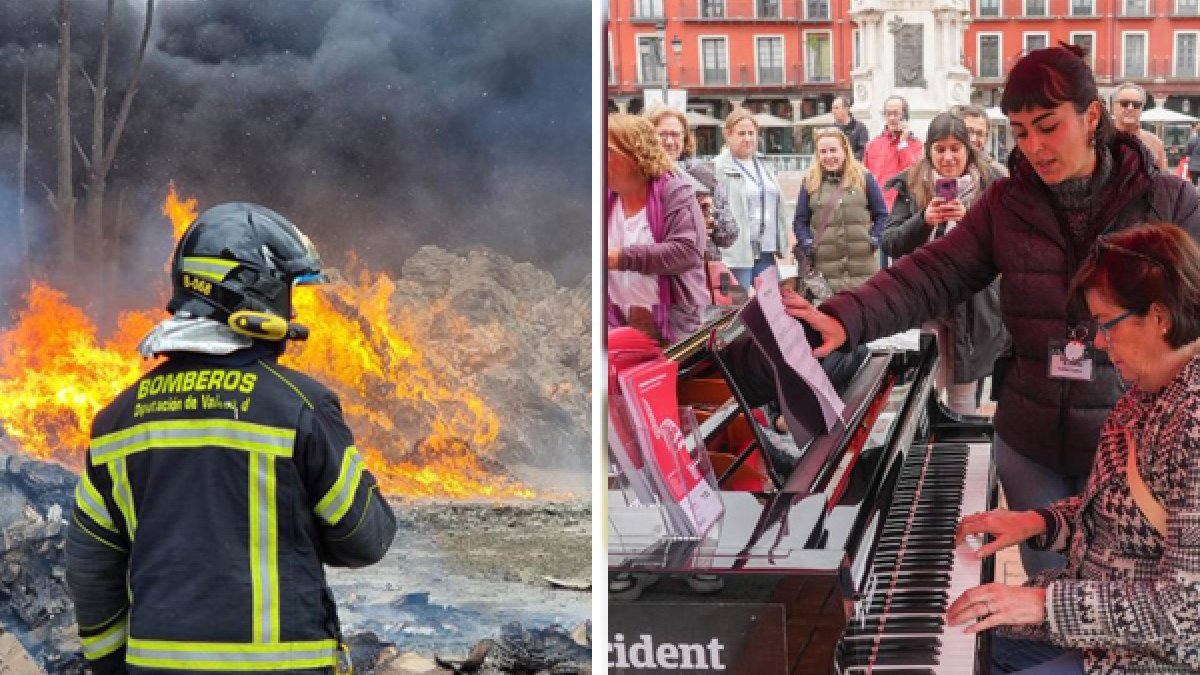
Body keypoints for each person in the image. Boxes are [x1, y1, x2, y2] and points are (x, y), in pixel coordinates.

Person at [781, 45, 1200, 577]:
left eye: (1048, 127)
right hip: (1031, 439)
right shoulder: (1008, 202)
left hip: (1132, 442)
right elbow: (933, 272)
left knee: (1121, 588)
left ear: (1091, 115)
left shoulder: (1168, 201)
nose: (1035, 147)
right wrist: (846, 317)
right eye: (1021, 132)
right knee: (1043, 587)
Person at [65, 202, 398, 673]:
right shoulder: (299, 406)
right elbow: (366, 539)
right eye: (288, 291)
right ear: (255, 291)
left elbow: (90, 565)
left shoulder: (118, 419)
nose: (292, 307)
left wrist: (108, 664)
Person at [949, 222, 1200, 674]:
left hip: (1148, 659)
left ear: (1160, 318)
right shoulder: (1152, 388)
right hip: (1100, 632)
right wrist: (1039, 522)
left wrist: (1042, 604)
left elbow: (1185, 615)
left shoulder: (1192, 423)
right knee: (959, 637)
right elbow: (1125, 517)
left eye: (1107, 324)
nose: (1100, 343)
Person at [882, 112, 1008, 416]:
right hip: (925, 304)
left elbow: (1009, 246)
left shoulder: (993, 185)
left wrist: (970, 223)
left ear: (969, 149)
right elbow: (890, 242)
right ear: (929, 151)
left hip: (974, 307)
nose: (948, 158)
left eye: (956, 149)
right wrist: (923, 221)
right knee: (922, 393)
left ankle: (958, 449)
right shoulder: (913, 184)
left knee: (963, 397)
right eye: (940, 150)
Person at [606, 112, 708, 343]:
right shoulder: (604, 200)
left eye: (609, 151)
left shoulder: (675, 193)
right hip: (618, 329)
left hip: (672, 334)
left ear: (635, 155)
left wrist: (619, 258)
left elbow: (687, 252)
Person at [792, 127, 887, 293]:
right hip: (825, 271)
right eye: (823, 152)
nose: (828, 156)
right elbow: (800, 220)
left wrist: (874, 239)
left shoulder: (863, 177)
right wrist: (807, 244)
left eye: (833, 150)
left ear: (844, 150)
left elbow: (882, 215)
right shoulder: (810, 181)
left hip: (863, 268)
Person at [644, 106, 737, 262]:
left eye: (675, 135)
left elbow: (728, 236)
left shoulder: (702, 174)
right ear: (647, 137)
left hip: (699, 269)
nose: (669, 141)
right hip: (656, 268)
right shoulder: (639, 178)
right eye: (662, 134)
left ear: (685, 138)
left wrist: (711, 217)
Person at [714, 108, 788, 291]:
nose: (747, 138)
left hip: (765, 248)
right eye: (741, 133)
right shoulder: (718, 168)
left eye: (751, 133)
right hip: (735, 253)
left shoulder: (764, 164)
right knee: (733, 310)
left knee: (774, 306)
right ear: (728, 135)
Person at [862, 94, 924, 211]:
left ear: (905, 116)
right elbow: (864, 179)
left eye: (896, 113)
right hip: (879, 209)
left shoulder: (916, 144)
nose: (891, 118)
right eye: (888, 114)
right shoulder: (872, 145)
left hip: (904, 209)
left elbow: (914, 174)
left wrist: (903, 144)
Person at [1111, 82, 1168, 171]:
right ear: (1113, 107)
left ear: (1141, 109)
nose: (1130, 108)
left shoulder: (1155, 143)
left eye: (1136, 105)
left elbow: (1164, 179)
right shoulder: (1100, 140)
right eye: (1124, 103)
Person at [953, 103, 1009, 177]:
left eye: (979, 133)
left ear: (986, 138)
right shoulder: (941, 166)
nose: (973, 139)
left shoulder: (997, 174)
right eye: (968, 131)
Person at [832, 96, 869, 161]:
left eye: (836, 108)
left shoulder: (860, 128)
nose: (833, 111)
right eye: (833, 108)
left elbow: (864, 150)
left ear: (846, 109)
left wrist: (846, 159)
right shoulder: (832, 128)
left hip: (854, 167)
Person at [1184, 121, 1200, 187]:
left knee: (1194, 185)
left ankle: (1196, 196)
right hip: (1195, 164)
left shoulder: (1192, 139)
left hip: (1194, 166)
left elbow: (1187, 151)